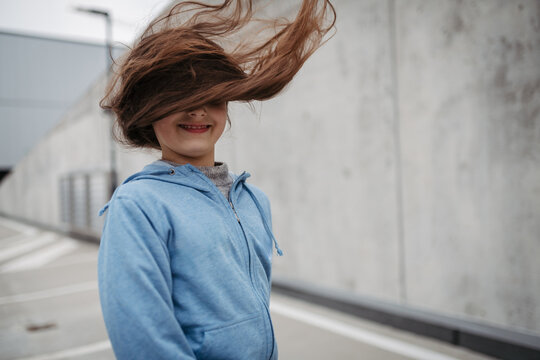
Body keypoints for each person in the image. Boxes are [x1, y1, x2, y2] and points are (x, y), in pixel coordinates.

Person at [97, 0, 335, 359]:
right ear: (149, 110)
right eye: (178, 97)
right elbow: (143, 338)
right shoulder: (138, 205)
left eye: (211, 96)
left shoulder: (254, 200)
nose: (197, 110)